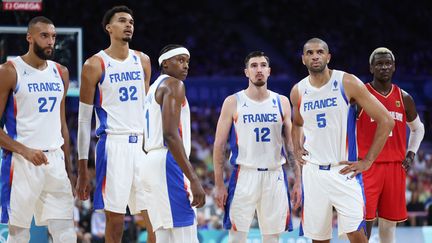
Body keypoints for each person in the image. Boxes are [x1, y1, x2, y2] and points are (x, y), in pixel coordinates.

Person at [290, 38, 395, 243]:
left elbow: (386, 121)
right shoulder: (298, 91)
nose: (315, 56)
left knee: (357, 236)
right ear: (303, 59)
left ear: (328, 56)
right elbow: (297, 123)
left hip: (344, 171)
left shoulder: (346, 82)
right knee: (319, 239)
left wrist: (368, 161)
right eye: (310, 53)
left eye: (320, 52)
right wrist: (296, 145)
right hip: (313, 173)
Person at [74, 5, 154, 243]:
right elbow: (83, 119)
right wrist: (82, 170)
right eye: (122, 20)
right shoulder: (94, 64)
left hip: (142, 145)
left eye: (131, 21)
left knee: (155, 218)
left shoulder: (143, 60)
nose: (129, 24)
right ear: (109, 28)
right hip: (113, 145)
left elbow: (149, 110)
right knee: (116, 223)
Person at [0, 16, 76, 242]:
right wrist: (25, 151)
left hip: (55, 161)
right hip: (21, 162)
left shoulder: (60, 72)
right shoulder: (9, 71)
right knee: (18, 233)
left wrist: (70, 172)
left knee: (66, 233)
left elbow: (62, 125)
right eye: (44, 36)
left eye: (53, 36)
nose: (50, 41)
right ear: (29, 37)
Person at [213, 51, 302, 243]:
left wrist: (299, 181)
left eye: (263, 65)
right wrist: (219, 185)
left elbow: (291, 146)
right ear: (246, 72)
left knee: (272, 238)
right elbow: (219, 145)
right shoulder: (233, 101)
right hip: (244, 174)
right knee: (236, 237)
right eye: (254, 66)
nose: (258, 69)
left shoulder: (282, 102)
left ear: (269, 71)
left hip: (275, 174)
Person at [357, 47, 425, 242]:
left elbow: (418, 129)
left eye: (388, 63)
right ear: (371, 68)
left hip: (395, 167)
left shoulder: (404, 98)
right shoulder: (361, 96)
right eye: (379, 64)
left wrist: (411, 153)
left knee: (389, 224)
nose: (384, 67)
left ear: (394, 67)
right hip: (368, 166)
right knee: (364, 221)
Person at [143, 44, 205, 243]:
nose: (185, 65)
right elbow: (170, 134)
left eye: (187, 61)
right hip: (167, 161)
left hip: (152, 161)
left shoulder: (152, 88)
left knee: (164, 236)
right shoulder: (173, 84)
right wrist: (193, 178)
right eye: (180, 60)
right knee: (185, 234)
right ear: (165, 63)